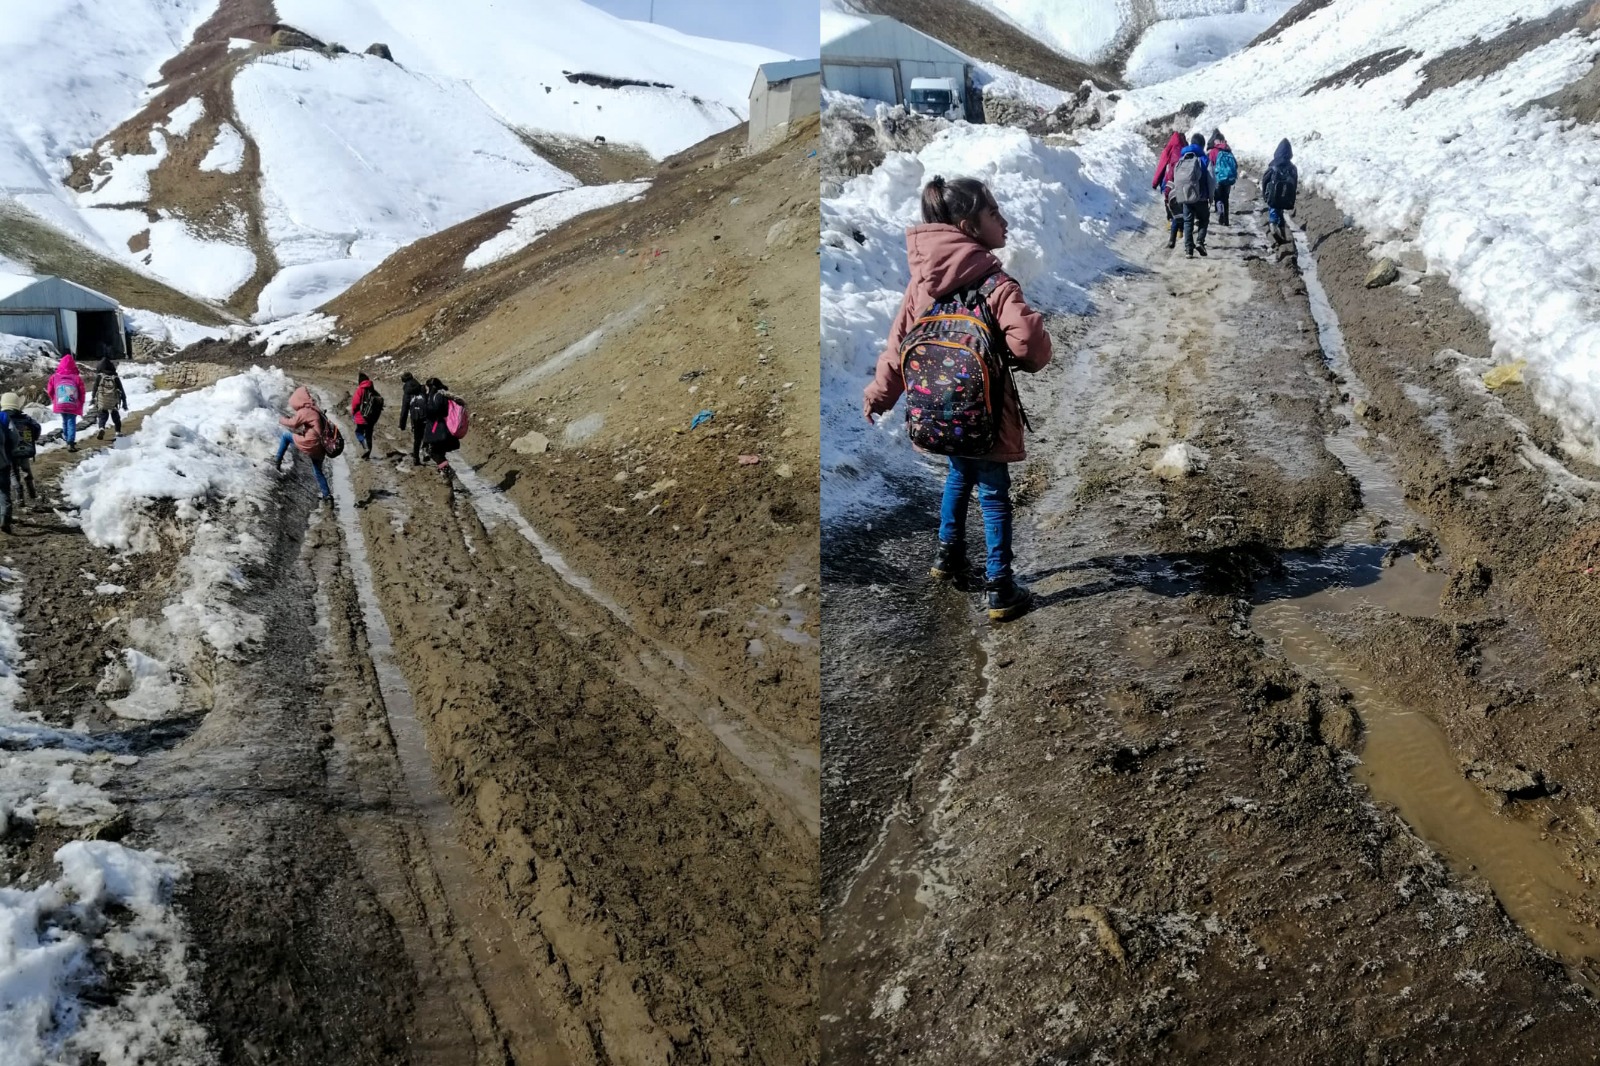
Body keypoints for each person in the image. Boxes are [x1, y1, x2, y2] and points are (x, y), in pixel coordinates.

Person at [862, 176, 1052, 622]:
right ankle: (1000, 586)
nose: (1003, 222)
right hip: (984, 413)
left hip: (937, 412)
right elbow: (1029, 347)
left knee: (956, 475)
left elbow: (897, 346)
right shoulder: (996, 284)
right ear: (968, 227)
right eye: (994, 215)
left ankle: (947, 557)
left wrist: (880, 394)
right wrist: (1036, 331)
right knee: (993, 493)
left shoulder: (921, 287)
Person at [275, 385, 333, 502]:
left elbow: (293, 423)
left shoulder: (305, 411)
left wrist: (281, 419)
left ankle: (277, 461)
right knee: (318, 471)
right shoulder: (314, 408)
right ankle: (327, 495)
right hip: (321, 446)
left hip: (312, 443)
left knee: (286, 436)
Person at [1171, 133, 1213, 258]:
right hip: (1201, 197)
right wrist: (1211, 197)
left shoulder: (1183, 158)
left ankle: (1189, 250)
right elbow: (1211, 180)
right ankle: (1200, 241)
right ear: (1202, 145)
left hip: (1186, 196)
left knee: (1188, 221)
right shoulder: (1204, 159)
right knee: (1204, 220)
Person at [2, 393, 40, 505]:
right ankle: (32, 493)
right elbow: (36, 428)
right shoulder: (25, 418)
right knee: (26, 470)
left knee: (14, 474)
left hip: (10, 452)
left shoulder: (3, 418)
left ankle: (19, 498)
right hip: (25, 450)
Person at [419, 378, 460, 481]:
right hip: (440, 428)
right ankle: (446, 475)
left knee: (433, 452)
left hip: (438, 428)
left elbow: (436, 410)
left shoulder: (437, 396)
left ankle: (449, 473)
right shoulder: (440, 395)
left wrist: (425, 409)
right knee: (438, 451)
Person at [1152, 130, 1186, 249]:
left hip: (1170, 180)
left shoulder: (1170, 147)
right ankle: (1181, 231)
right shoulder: (1185, 147)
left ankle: (1171, 229)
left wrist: (1155, 182)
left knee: (1170, 203)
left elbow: (1162, 164)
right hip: (1184, 182)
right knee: (1182, 205)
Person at [1262, 138, 1299, 246]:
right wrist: (1292, 198)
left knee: (1273, 209)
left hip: (1273, 195)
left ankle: (1273, 226)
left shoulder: (1273, 165)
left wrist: (1265, 194)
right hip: (1285, 196)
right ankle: (1282, 232)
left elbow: (1265, 180)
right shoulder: (1292, 167)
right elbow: (1295, 183)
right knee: (1281, 212)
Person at [47, 351, 85, 453]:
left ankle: (67, 439)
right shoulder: (76, 378)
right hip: (73, 404)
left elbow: (50, 390)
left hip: (60, 403)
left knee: (65, 421)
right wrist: (81, 403)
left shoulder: (54, 377)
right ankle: (70, 442)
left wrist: (54, 399)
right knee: (71, 421)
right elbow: (82, 392)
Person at [90, 356, 127, 440]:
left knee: (102, 415)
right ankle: (118, 432)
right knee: (115, 416)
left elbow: (95, 388)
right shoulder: (115, 376)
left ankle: (101, 428)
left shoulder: (100, 376)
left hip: (102, 399)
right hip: (113, 400)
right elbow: (121, 389)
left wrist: (93, 398)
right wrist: (124, 401)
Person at [1207, 130, 1237, 227]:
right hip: (1228, 179)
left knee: (1218, 197)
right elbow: (1235, 164)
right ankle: (1227, 221)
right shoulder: (1229, 150)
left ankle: (1220, 211)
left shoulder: (1213, 151)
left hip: (1218, 179)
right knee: (1226, 199)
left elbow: (1209, 165)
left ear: (1216, 141)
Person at [350, 372, 376, 459]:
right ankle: (368, 454)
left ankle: (365, 446)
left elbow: (355, 404)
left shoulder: (360, 390)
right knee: (369, 434)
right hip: (371, 417)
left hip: (361, 416)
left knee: (358, 432)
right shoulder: (372, 389)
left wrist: (353, 413)